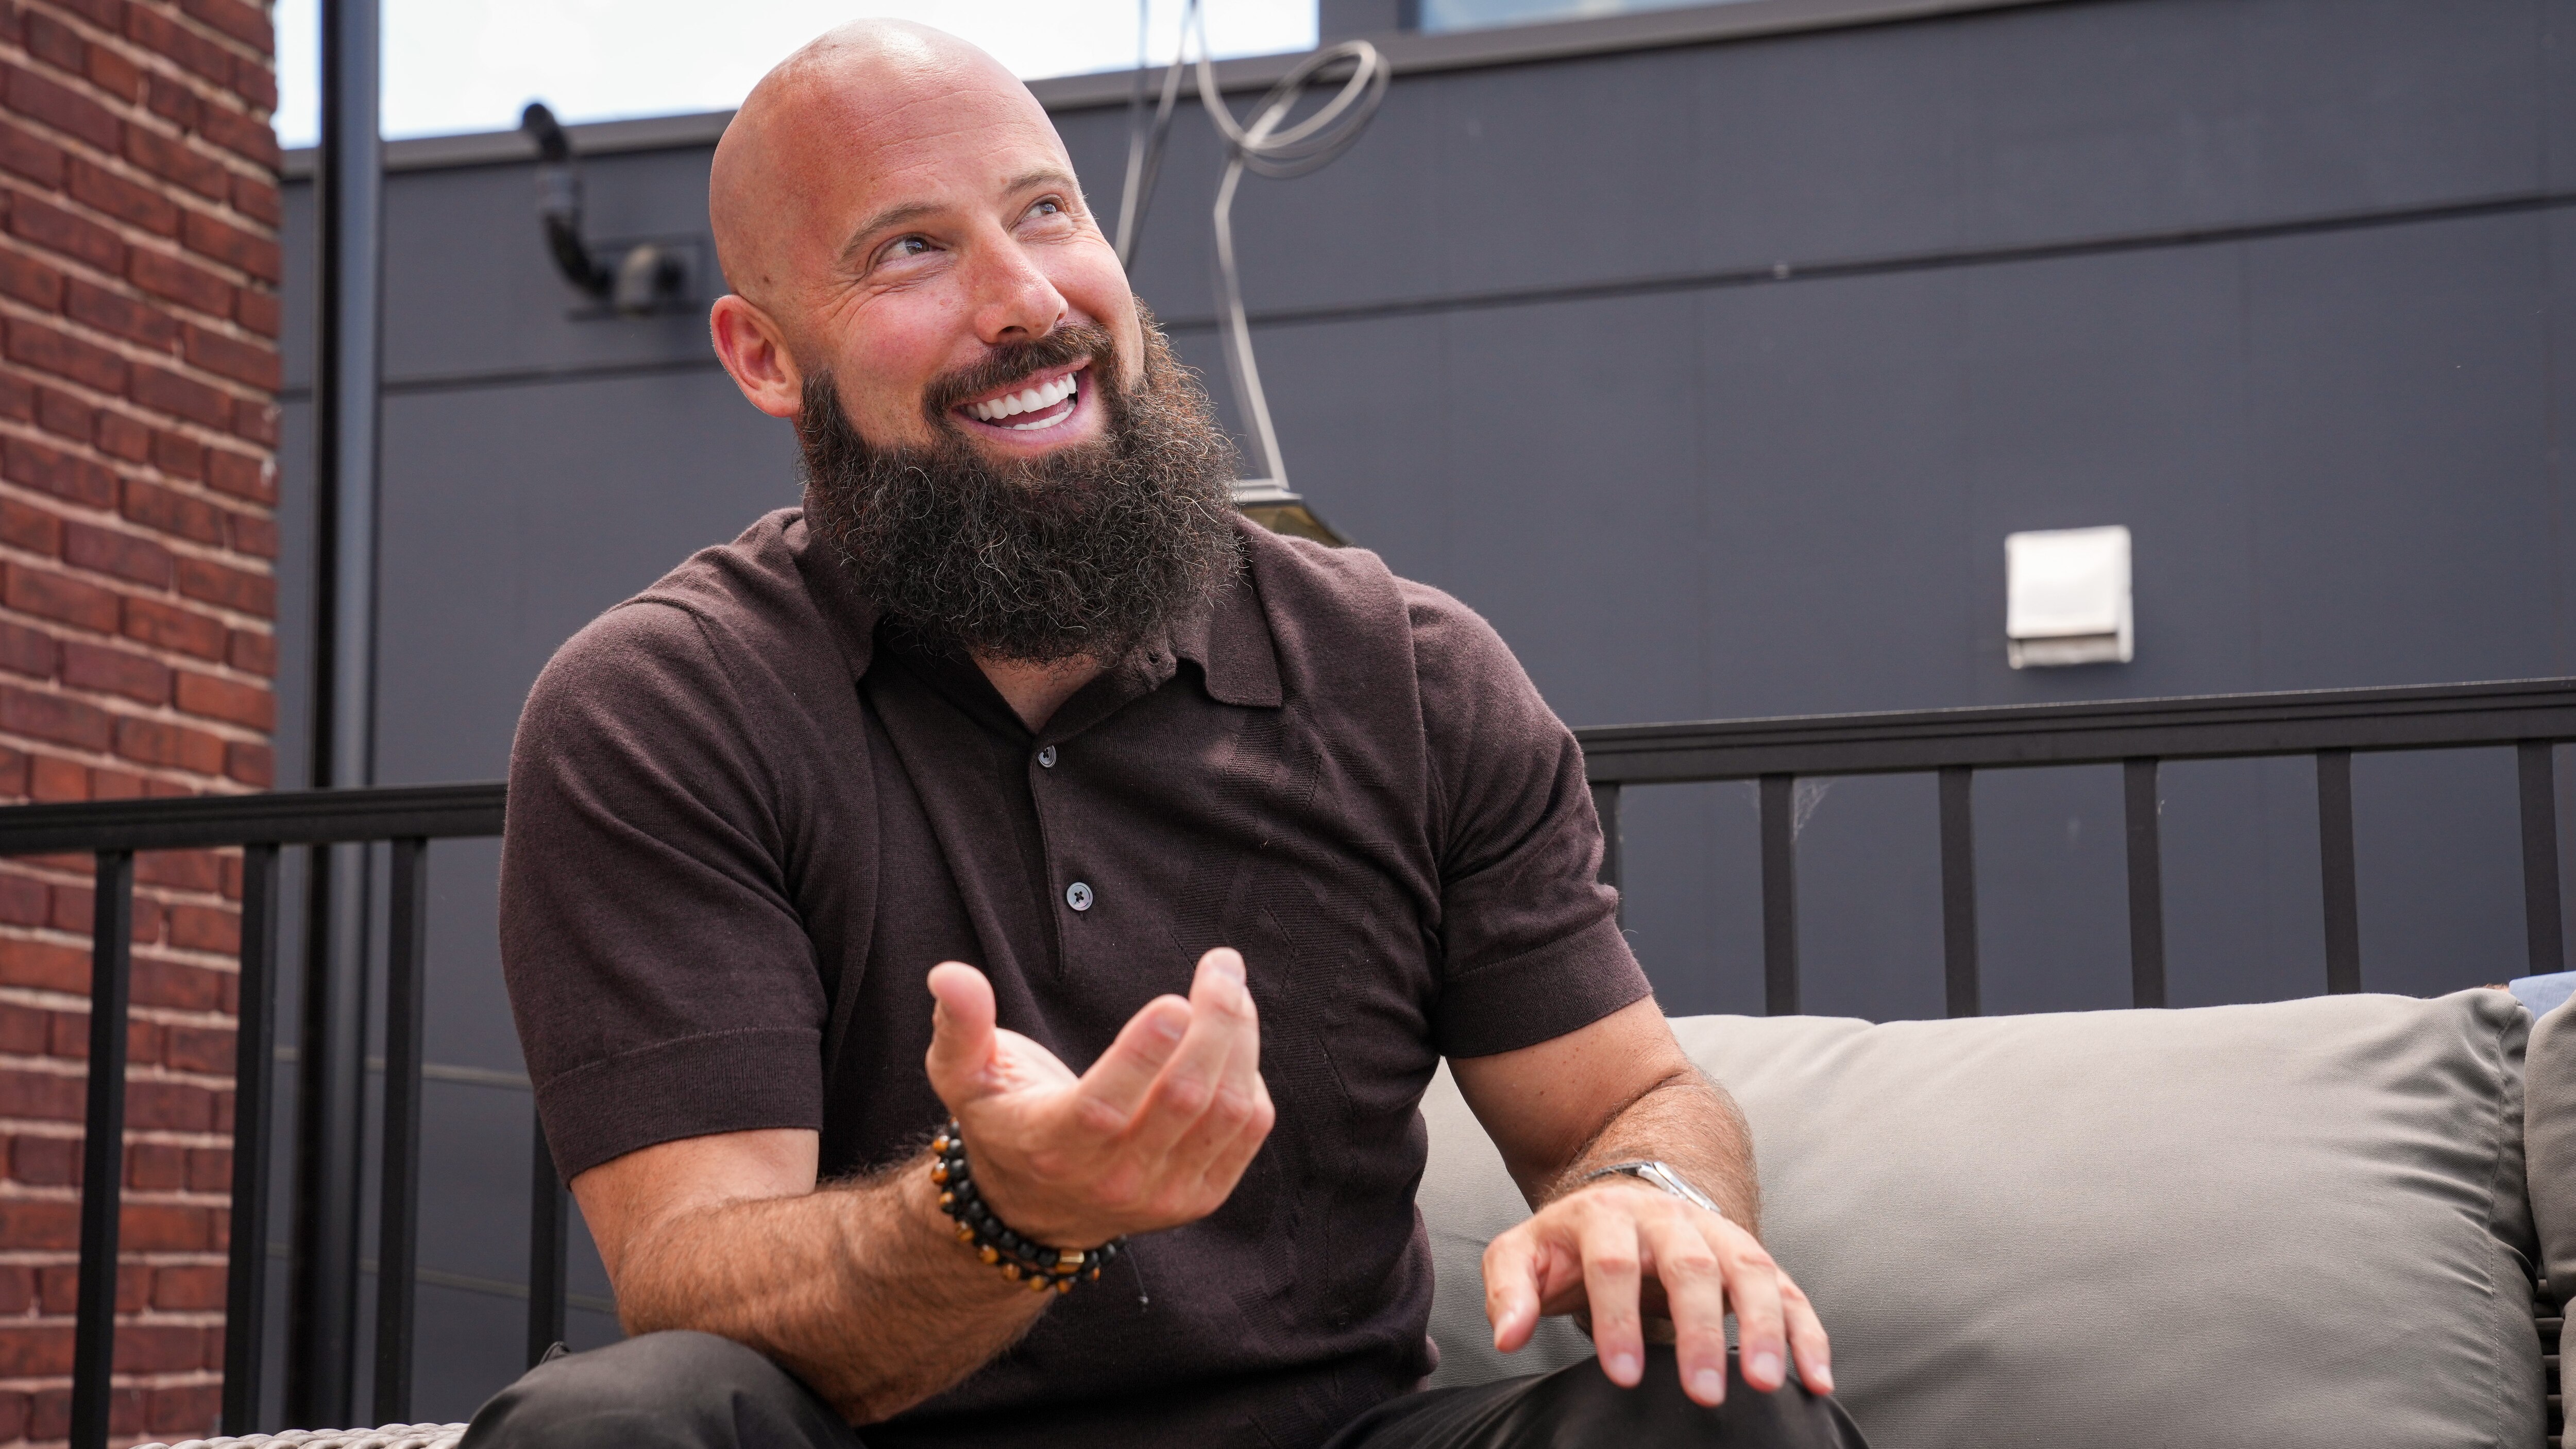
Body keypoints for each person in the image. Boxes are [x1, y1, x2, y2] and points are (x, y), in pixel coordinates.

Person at [465, 20, 1864, 1449]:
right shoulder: (662, 710)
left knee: (1727, 1400)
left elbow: (1625, 1096)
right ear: (767, 355)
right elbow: (695, 1274)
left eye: (1045, 212)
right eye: (910, 250)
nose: (1025, 299)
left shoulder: (1409, 675)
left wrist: (1653, 1195)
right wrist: (998, 1214)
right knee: (615, 1425)